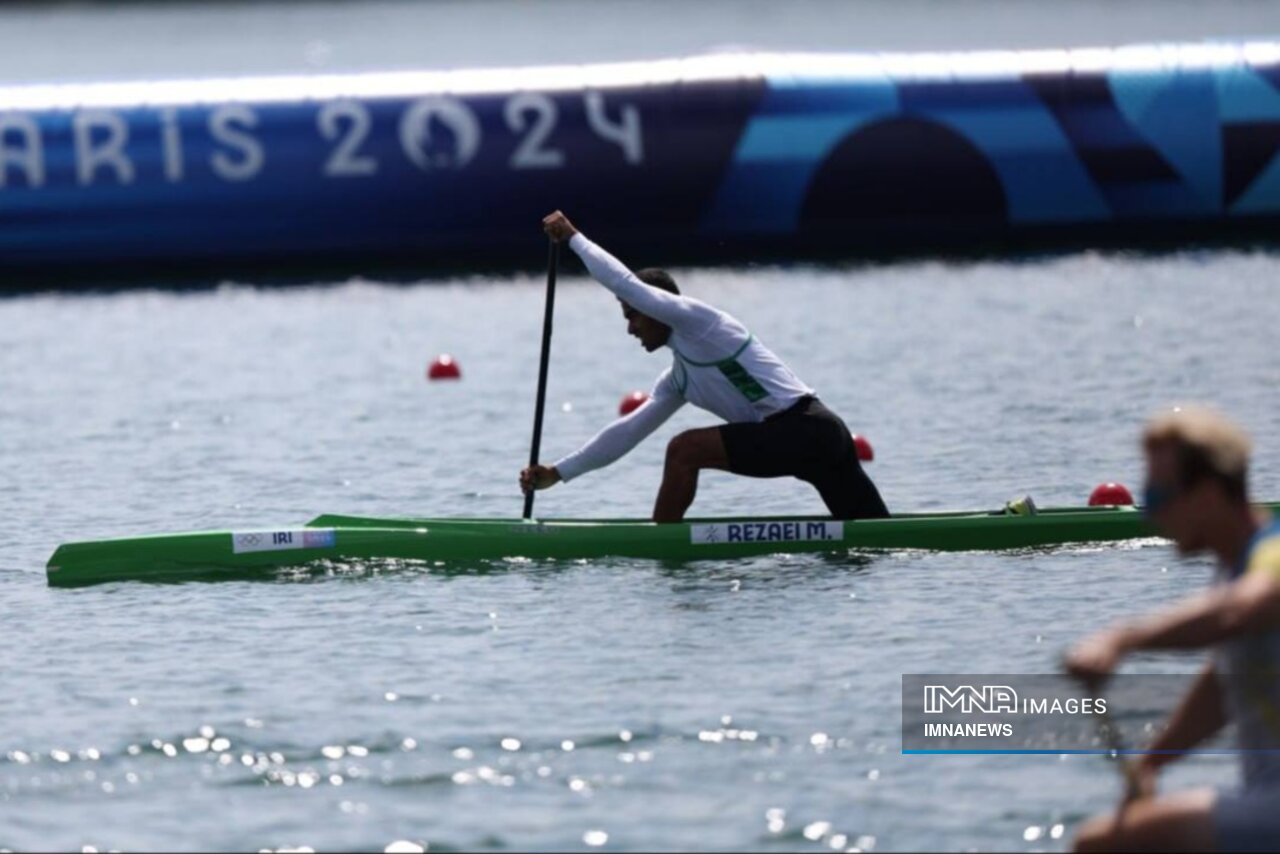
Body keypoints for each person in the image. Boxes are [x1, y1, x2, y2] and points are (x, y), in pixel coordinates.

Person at [519, 210, 889, 524]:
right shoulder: (679, 379)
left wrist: (574, 239)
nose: (630, 328)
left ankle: (660, 548)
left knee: (685, 449)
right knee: (876, 540)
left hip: (807, 430)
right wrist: (559, 472)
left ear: (655, 307)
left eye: (633, 315)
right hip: (820, 437)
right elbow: (628, 432)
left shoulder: (700, 322)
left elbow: (627, 284)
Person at [1065, 406, 1280, 852]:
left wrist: (1122, 640)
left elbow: (1233, 613)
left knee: (1098, 844)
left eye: (1159, 497)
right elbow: (1221, 689)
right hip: (1264, 803)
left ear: (1206, 493)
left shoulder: (1272, 558)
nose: (1150, 515)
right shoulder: (1232, 569)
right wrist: (1152, 764)